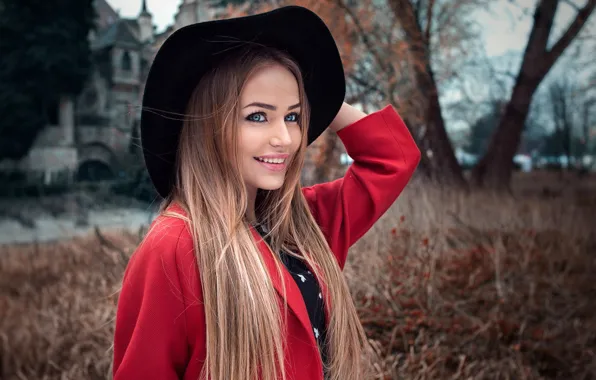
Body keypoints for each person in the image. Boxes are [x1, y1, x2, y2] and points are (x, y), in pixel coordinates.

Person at [112, 5, 421, 380]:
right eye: (258, 116)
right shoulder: (174, 247)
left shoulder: (306, 225)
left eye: (292, 116)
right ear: (210, 126)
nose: (285, 138)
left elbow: (394, 158)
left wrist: (319, 95)